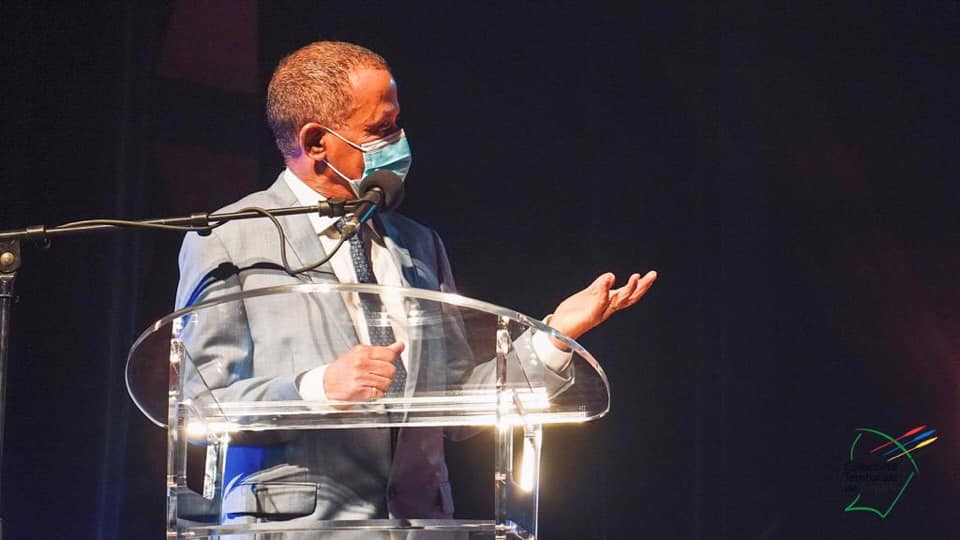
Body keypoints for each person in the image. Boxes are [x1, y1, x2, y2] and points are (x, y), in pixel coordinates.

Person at [175, 41, 657, 524]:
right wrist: (319, 387)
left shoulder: (419, 244)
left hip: (421, 524)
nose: (398, 141)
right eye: (380, 129)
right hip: (296, 528)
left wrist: (555, 335)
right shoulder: (228, 238)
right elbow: (200, 403)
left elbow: (458, 401)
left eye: (398, 124)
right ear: (316, 141)